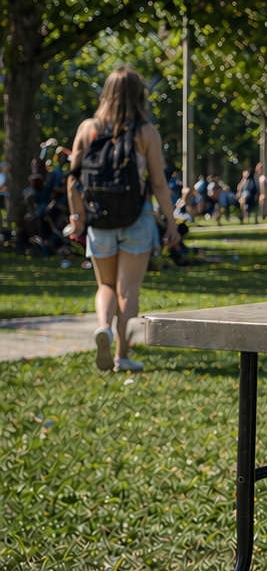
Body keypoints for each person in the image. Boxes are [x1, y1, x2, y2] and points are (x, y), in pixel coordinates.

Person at [65, 66, 180, 373]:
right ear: (139, 96)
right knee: (128, 291)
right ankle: (122, 355)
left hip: (99, 219)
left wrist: (77, 218)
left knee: (105, 286)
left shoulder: (87, 128)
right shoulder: (145, 132)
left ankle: (103, 326)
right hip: (137, 219)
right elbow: (157, 182)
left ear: (106, 93)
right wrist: (171, 222)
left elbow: (72, 180)